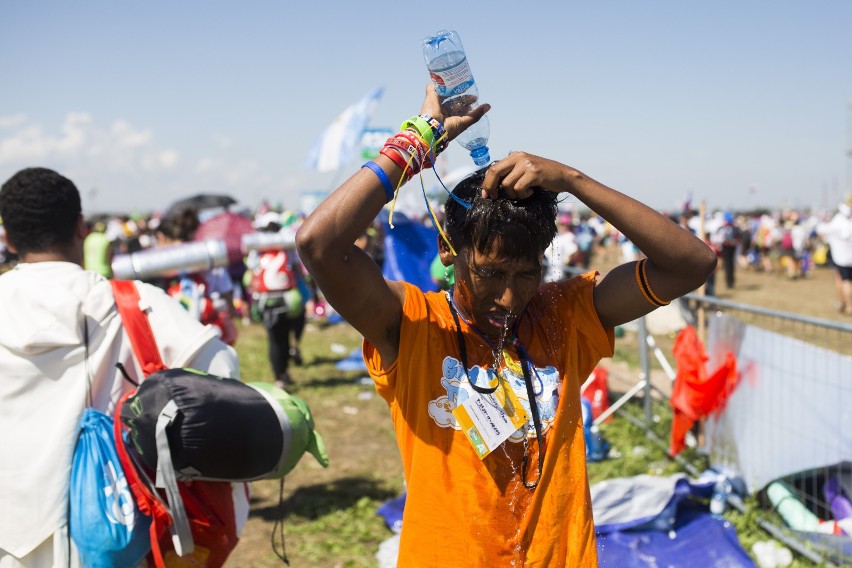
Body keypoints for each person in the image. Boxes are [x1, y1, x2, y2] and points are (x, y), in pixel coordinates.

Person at [296, 84, 717, 566]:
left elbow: (692, 264)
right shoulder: (412, 325)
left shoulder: (564, 315)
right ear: (448, 253)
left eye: (527, 272)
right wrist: (419, 140)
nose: (510, 297)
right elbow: (318, 244)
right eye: (490, 273)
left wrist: (573, 180)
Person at [0, 167, 240, 567]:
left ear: (6, 238)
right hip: (117, 532)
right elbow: (223, 372)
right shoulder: (136, 304)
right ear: (81, 227)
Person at [817, 200, 852, 315]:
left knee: (844, 281)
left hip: (841, 259)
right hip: (846, 258)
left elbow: (822, 234)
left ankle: (847, 305)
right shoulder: (846, 223)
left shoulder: (836, 223)